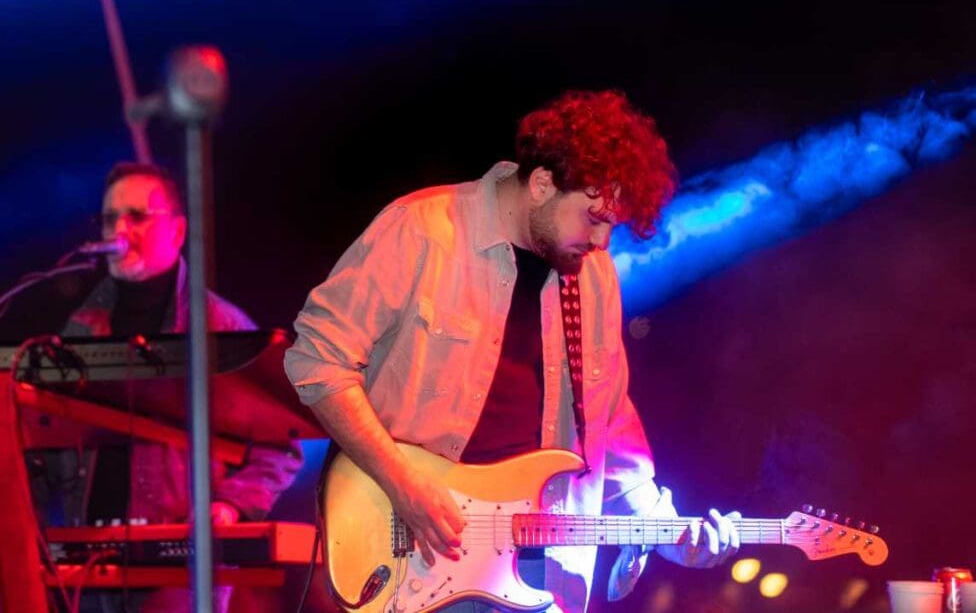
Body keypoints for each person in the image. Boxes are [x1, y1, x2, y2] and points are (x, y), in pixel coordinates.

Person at [284, 89, 741, 612]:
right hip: (418, 553)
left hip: (540, 570)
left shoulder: (592, 278)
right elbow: (317, 360)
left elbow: (607, 421)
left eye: (611, 226)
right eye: (593, 218)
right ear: (542, 184)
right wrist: (402, 482)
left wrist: (665, 528)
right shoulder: (423, 230)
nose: (602, 241)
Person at [45, 162, 302, 612]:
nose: (119, 230)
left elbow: (283, 445)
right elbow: (47, 436)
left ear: (179, 232)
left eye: (137, 216)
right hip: (85, 575)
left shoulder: (219, 327)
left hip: (179, 574)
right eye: (109, 218)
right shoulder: (81, 327)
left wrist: (230, 505)